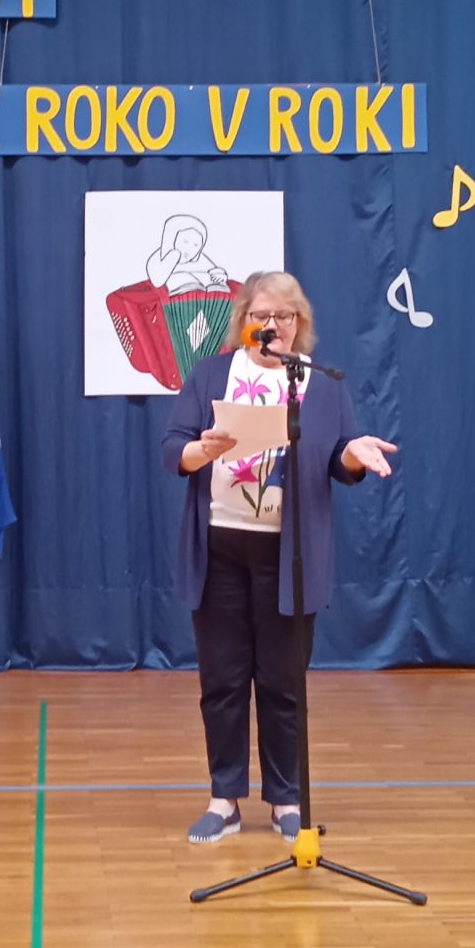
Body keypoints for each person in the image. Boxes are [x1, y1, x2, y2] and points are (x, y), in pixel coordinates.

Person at [162, 269, 395, 844]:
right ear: (243, 322)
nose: (272, 326)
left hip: (289, 557)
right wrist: (200, 450)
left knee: (283, 682)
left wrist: (355, 455)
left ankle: (287, 800)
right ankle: (224, 800)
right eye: (261, 315)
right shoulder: (212, 374)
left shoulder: (322, 385)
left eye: (283, 316)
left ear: (300, 324)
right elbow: (174, 449)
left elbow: (340, 458)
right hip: (220, 550)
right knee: (222, 680)